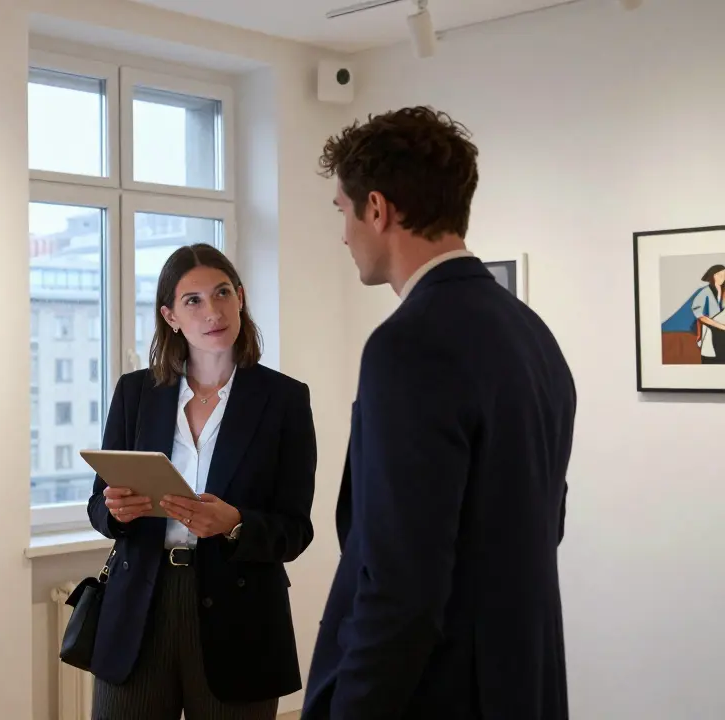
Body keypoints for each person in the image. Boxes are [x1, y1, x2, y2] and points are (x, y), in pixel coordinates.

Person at [303, 107, 577, 720]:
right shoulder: (532, 334)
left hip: (439, 692)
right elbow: (544, 523)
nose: (343, 235)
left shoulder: (408, 345)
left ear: (378, 209)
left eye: (343, 212)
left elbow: (401, 583)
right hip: (522, 680)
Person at [85, 243, 317, 720]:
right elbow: (97, 506)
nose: (213, 311)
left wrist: (234, 524)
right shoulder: (135, 392)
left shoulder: (285, 400)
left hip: (241, 618)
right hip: (138, 610)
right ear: (170, 316)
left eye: (222, 293)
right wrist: (115, 511)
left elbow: (295, 529)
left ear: (241, 298)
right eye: (193, 300)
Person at [660, 264, 725, 364]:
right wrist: (721, 326)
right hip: (708, 330)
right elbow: (699, 315)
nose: (722, 278)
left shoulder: (722, 291)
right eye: (720, 275)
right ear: (713, 276)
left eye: (724, 275)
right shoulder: (704, 292)